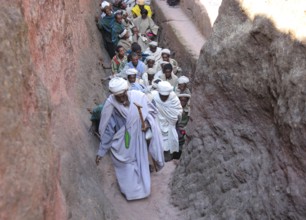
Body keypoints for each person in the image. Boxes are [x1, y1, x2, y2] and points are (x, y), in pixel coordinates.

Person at [96, 77, 165, 200]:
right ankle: (132, 192)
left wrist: (148, 125)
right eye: (118, 97)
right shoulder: (111, 104)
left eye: (123, 95)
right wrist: (101, 151)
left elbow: (152, 113)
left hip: (139, 139)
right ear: (113, 95)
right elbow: (109, 130)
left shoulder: (139, 97)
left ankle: (143, 189)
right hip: (122, 142)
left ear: (127, 90)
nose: (122, 99)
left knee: (140, 161)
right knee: (125, 164)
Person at [151, 81, 182, 162]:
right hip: (158, 126)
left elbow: (178, 111)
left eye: (166, 96)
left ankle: (168, 161)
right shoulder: (154, 97)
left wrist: (173, 118)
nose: (164, 98)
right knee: (158, 145)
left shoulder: (173, 98)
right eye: (162, 96)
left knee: (169, 145)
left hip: (170, 126)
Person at [173, 92, 191, 159]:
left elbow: (189, 121)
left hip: (184, 130)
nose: (182, 102)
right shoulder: (174, 109)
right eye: (181, 100)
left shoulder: (188, 110)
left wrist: (185, 128)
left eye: (184, 100)